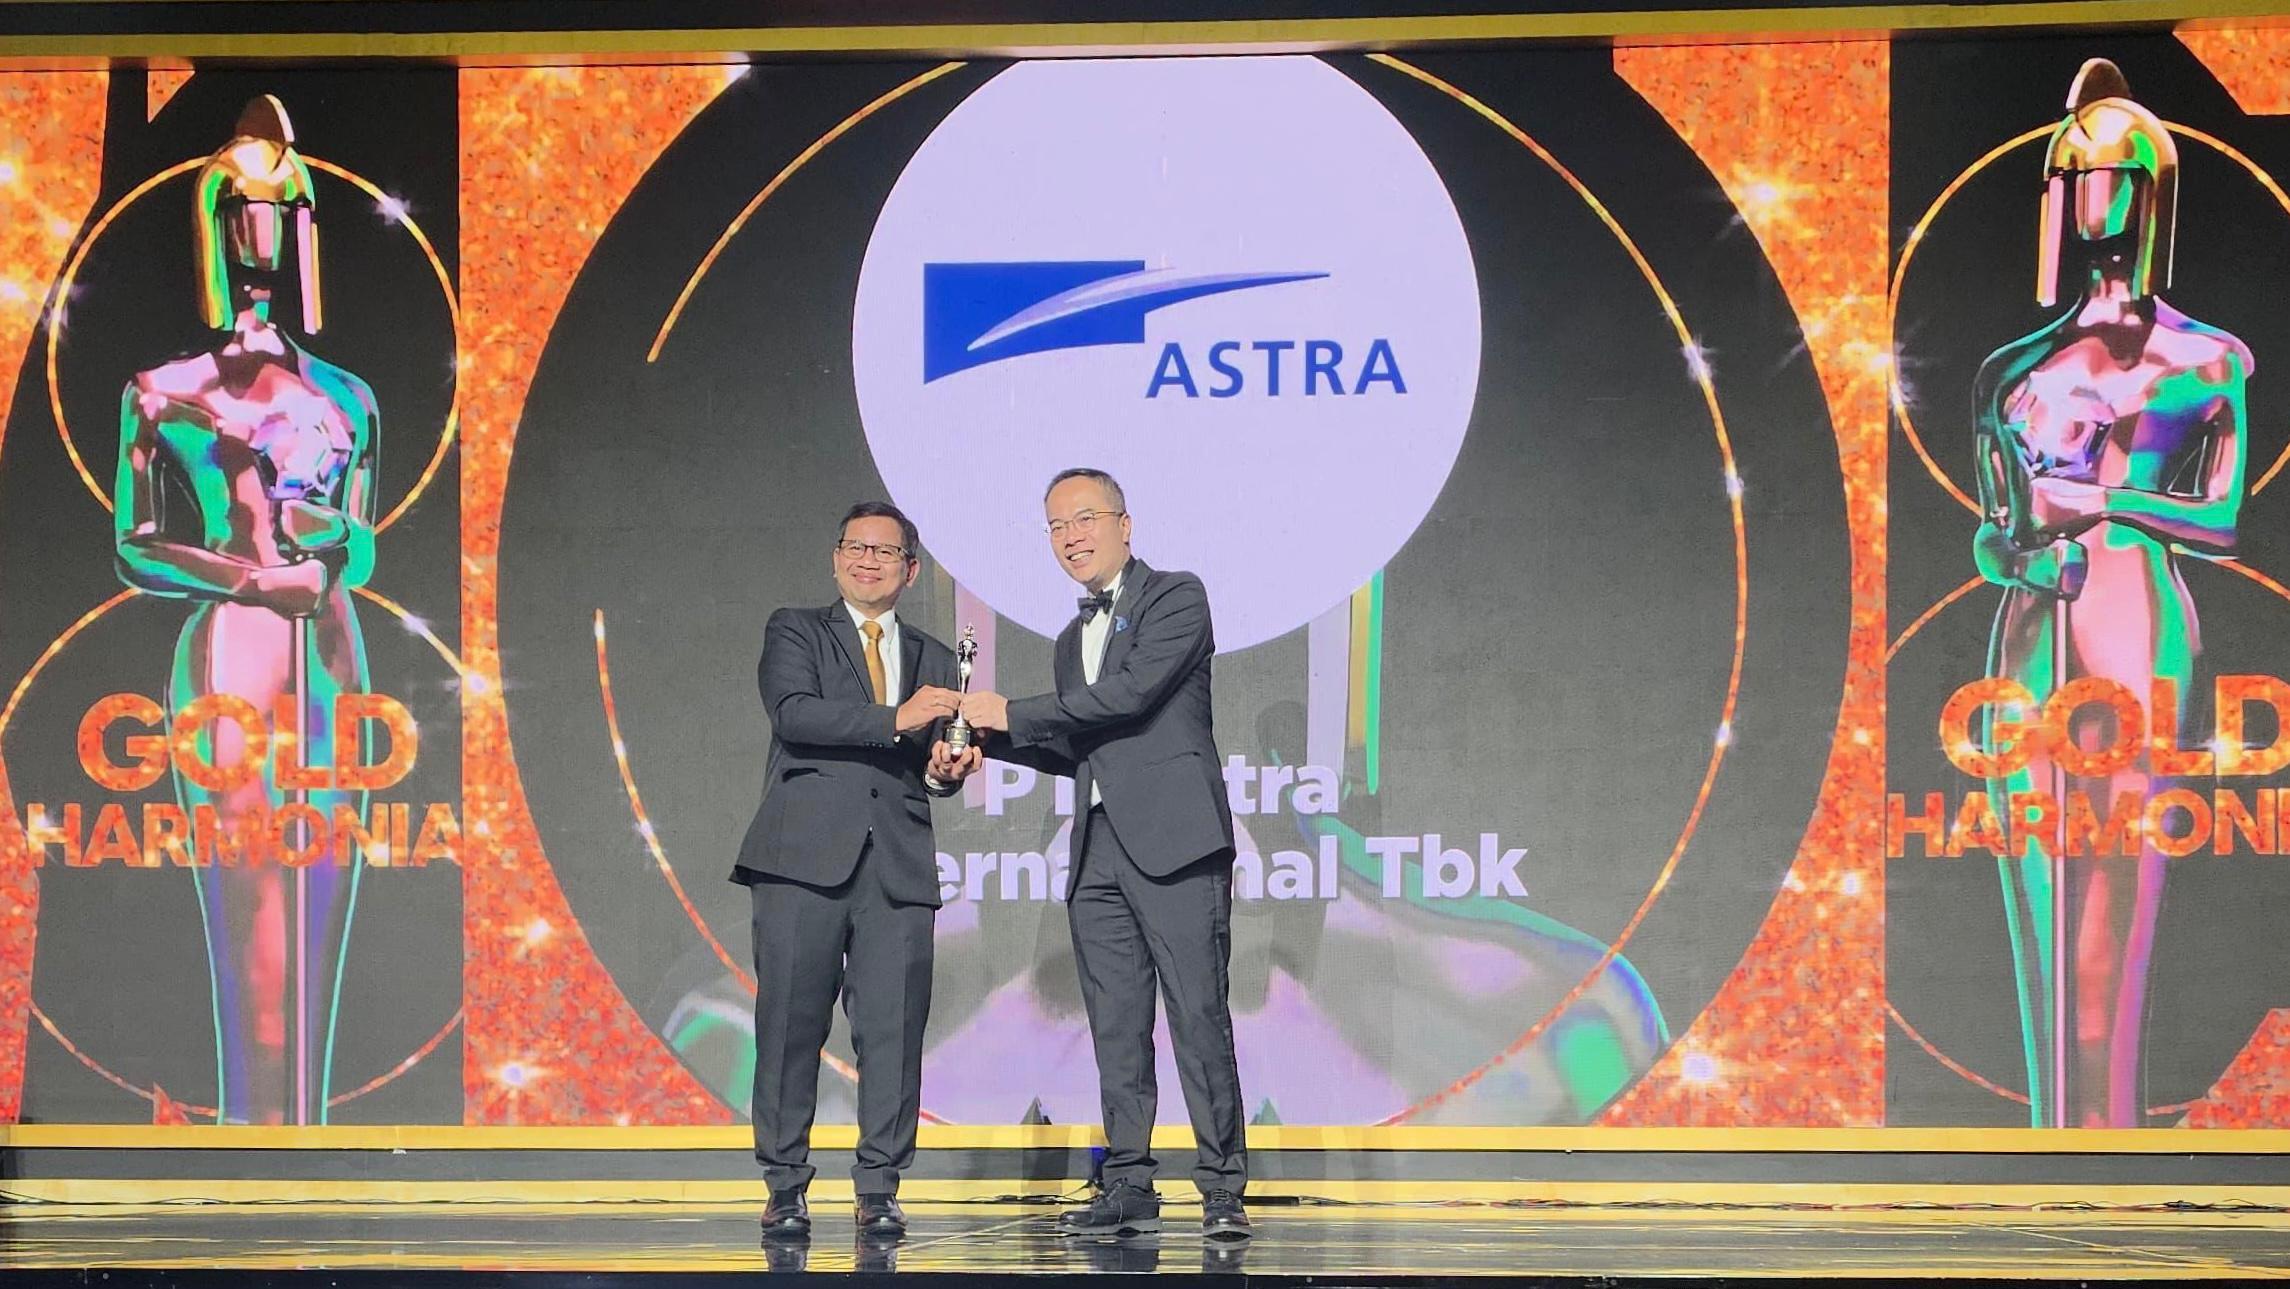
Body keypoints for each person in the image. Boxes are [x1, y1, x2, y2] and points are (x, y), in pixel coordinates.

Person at [1971, 58, 2249, 1127]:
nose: (2097, 202)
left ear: (2148, 191)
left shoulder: (2207, 359)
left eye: (2115, 179)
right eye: (2080, 179)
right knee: (2038, 883)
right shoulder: (2013, 372)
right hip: (2033, 624)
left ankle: (2111, 1142)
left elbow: (2220, 522)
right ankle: (2051, 1146)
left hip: (2138, 622)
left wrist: (2099, 500)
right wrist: (2022, 545)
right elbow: (1994, 533)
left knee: (2119, 891)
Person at [115, 95, 377, 1126]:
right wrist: (255, 580)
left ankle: (307, 1137)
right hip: (231, 647)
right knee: (247, 900)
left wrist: (331, 539)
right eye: (241, 211)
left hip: (334, 652)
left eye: (279, 211)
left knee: (324, 889)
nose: (259, 236)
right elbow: (134, 544)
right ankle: (249, 1134)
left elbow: (362, 543)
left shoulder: (350, 396)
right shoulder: (162, 389)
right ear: (215, 223)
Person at [960, 468, 1250, 1239]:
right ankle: (1127, 1181)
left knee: (1197, 1015)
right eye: (1056, 526)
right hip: (1097, 852)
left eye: (1084, 518)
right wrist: (989, 737)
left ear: (1125, 523)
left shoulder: (1177, 597)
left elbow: (1132, 695)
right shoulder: (1069, 641)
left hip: (1177, 840)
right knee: (1116, 1025)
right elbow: (1080, 746)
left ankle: (1222, 1187)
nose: (1071, 536)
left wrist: (1012, 710)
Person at [733, 501, 982, 1240]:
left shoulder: (937, 657)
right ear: (836, 557)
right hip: (800, 861)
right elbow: (796, 715)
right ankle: (784, 1184)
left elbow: (930, 766)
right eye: (856, 547)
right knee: (790, 1026)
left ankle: (879, 1186)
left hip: (897, 866)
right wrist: (898, 717)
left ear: (911, 569)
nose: (868, 560)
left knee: (893, 1032)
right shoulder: (796, 630)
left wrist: (945, 770)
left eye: (885, 551)